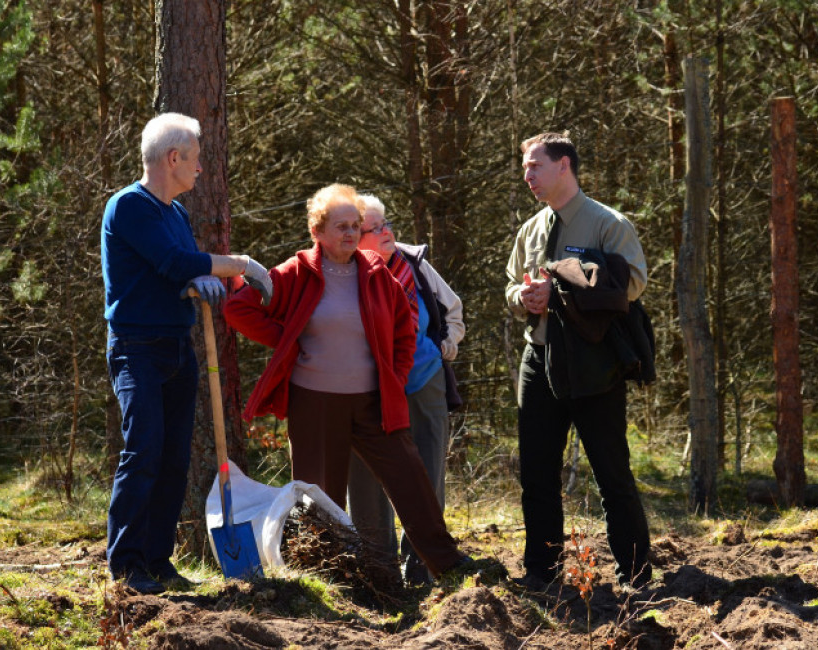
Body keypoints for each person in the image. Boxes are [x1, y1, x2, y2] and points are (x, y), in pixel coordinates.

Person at [223, 183, 472, 579]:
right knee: (320, 497)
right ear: (317, 231)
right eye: (341, 226)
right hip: (314, 404)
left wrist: (396, 376)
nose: (351, 233)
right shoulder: (296, 272)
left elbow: (404, 330)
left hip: (374, 402)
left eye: (356, 225)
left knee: (410, 478)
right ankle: (330, 576)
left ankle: (449, 564)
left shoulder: (376, 272)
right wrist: (288, 338)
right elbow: (239, 308)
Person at [102, 112, 274, 595]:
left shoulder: (175, 215)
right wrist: (240, 265)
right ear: (173, 158)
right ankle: (126, 566)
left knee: (174, 458)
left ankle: (158, 562)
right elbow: (173, 261)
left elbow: (178, 269)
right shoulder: (129, 206)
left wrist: (197, 279)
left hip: (178, 347)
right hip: (137, 348)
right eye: (196, 159)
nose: (200, 169)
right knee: (144, 450)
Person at [505, 132, 652, 593]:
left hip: (594, 362)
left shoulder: (608, 224)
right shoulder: (530, 229)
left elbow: (633, 285)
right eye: (525, 168)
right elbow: (511, 285)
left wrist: (563, 288)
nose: (527, 176)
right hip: (539, 358)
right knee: (536, 474)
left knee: (612, 473)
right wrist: (523, 297)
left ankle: (634, 576)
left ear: (564, 165)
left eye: (535, 166)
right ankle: (541, 573)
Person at [346, 194, 465, 585]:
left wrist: (443, 347)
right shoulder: (343, 272)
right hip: (368, 389)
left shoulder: (413, 262)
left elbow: (452, 309)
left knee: (426, 477)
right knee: (367, 480)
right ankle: (379, 572)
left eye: (386, 224)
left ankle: (423, 571)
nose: (386, 233)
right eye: (375, 228)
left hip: (423, 380)